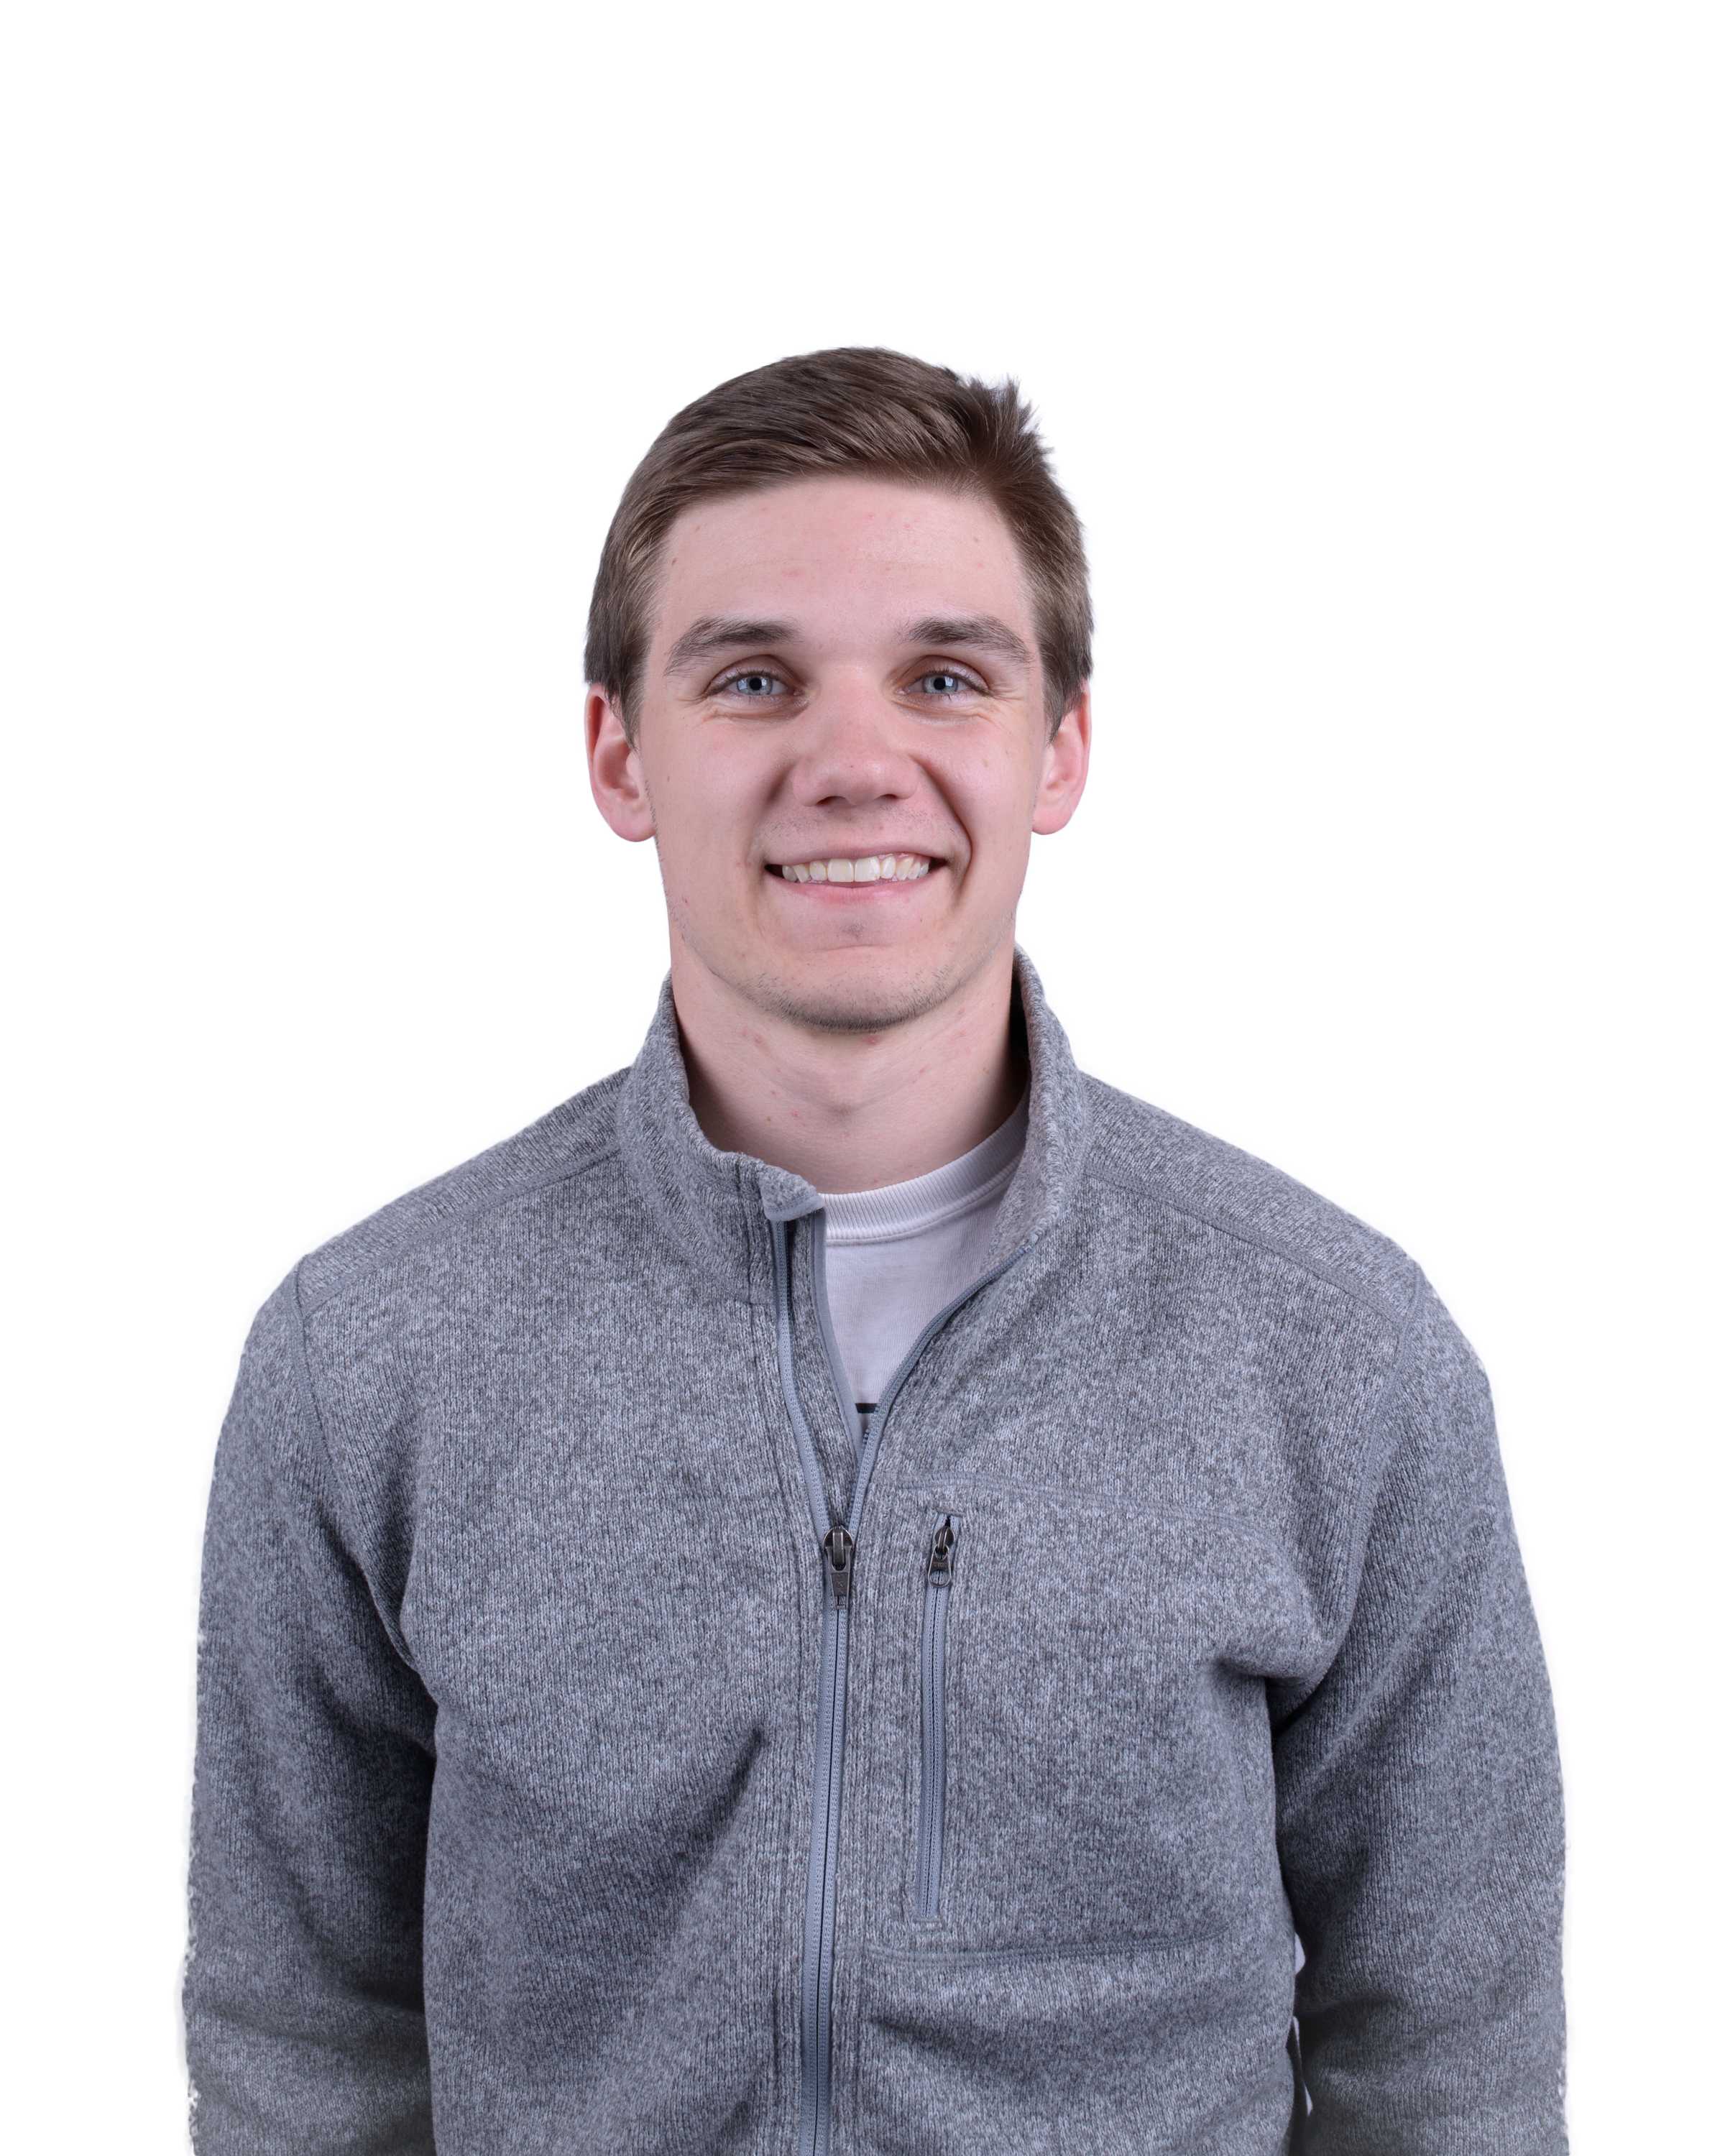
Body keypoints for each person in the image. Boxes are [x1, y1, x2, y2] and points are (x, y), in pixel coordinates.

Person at [181, 345, 1568, 2154]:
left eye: (945, 677)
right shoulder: (370, 1357)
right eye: (754, 678)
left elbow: (1451, 2056)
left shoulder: (1339, 1354)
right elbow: (302, 2043)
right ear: (618, 752)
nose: (854, 764)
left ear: (1059, 748)